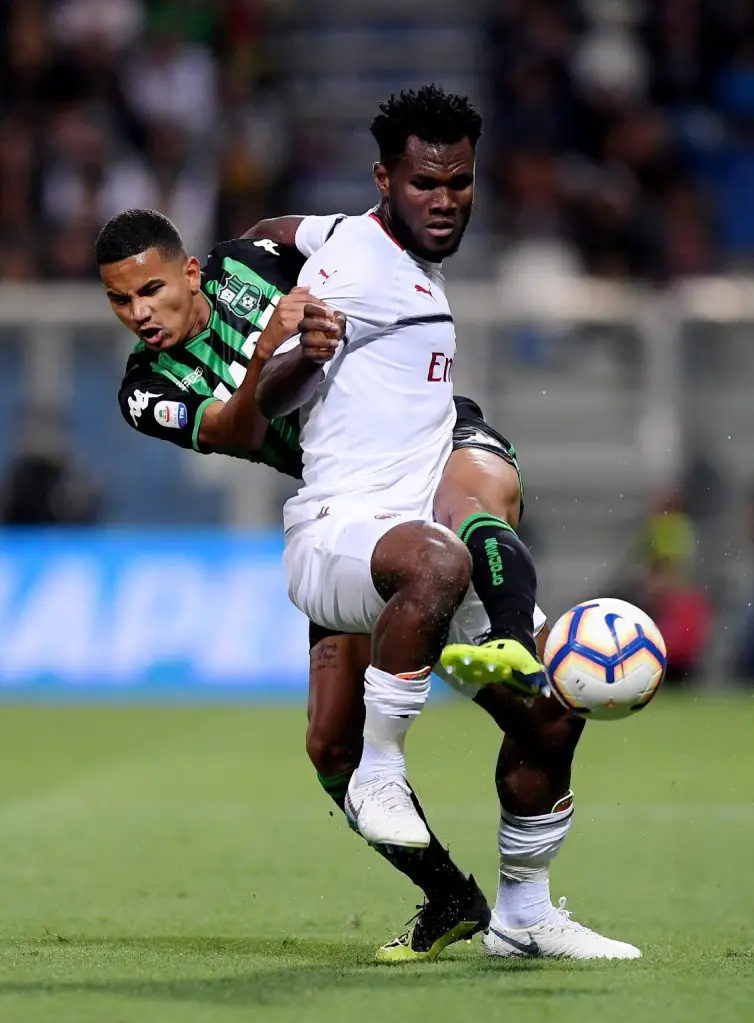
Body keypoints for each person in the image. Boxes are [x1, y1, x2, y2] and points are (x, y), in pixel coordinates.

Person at [98, 205, 637, 962]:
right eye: (120, 300)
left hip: (426, 441)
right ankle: (450, 897)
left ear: (191, 272)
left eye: (150, 290)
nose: (138, 313)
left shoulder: (253, 258)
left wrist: (330, 253)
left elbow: (318, 232)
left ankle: (527, 909)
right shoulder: (145, 387)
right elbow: (239, 430)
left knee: (544, 708)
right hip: (349, 503)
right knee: (330, 745)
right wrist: (275, 344)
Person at [257, 85, 639, 960]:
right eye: (424, 184)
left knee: (554, 712)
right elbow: (272, 390)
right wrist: (302, 355)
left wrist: (240, 247)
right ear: (385, 180)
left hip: (415, 536)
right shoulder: (352, 266)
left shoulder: (358, 238)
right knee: (439, 560)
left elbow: (285, 229)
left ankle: (523, 916)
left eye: (459, 183)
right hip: (338, 535)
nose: (444, 200)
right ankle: (381, 770)